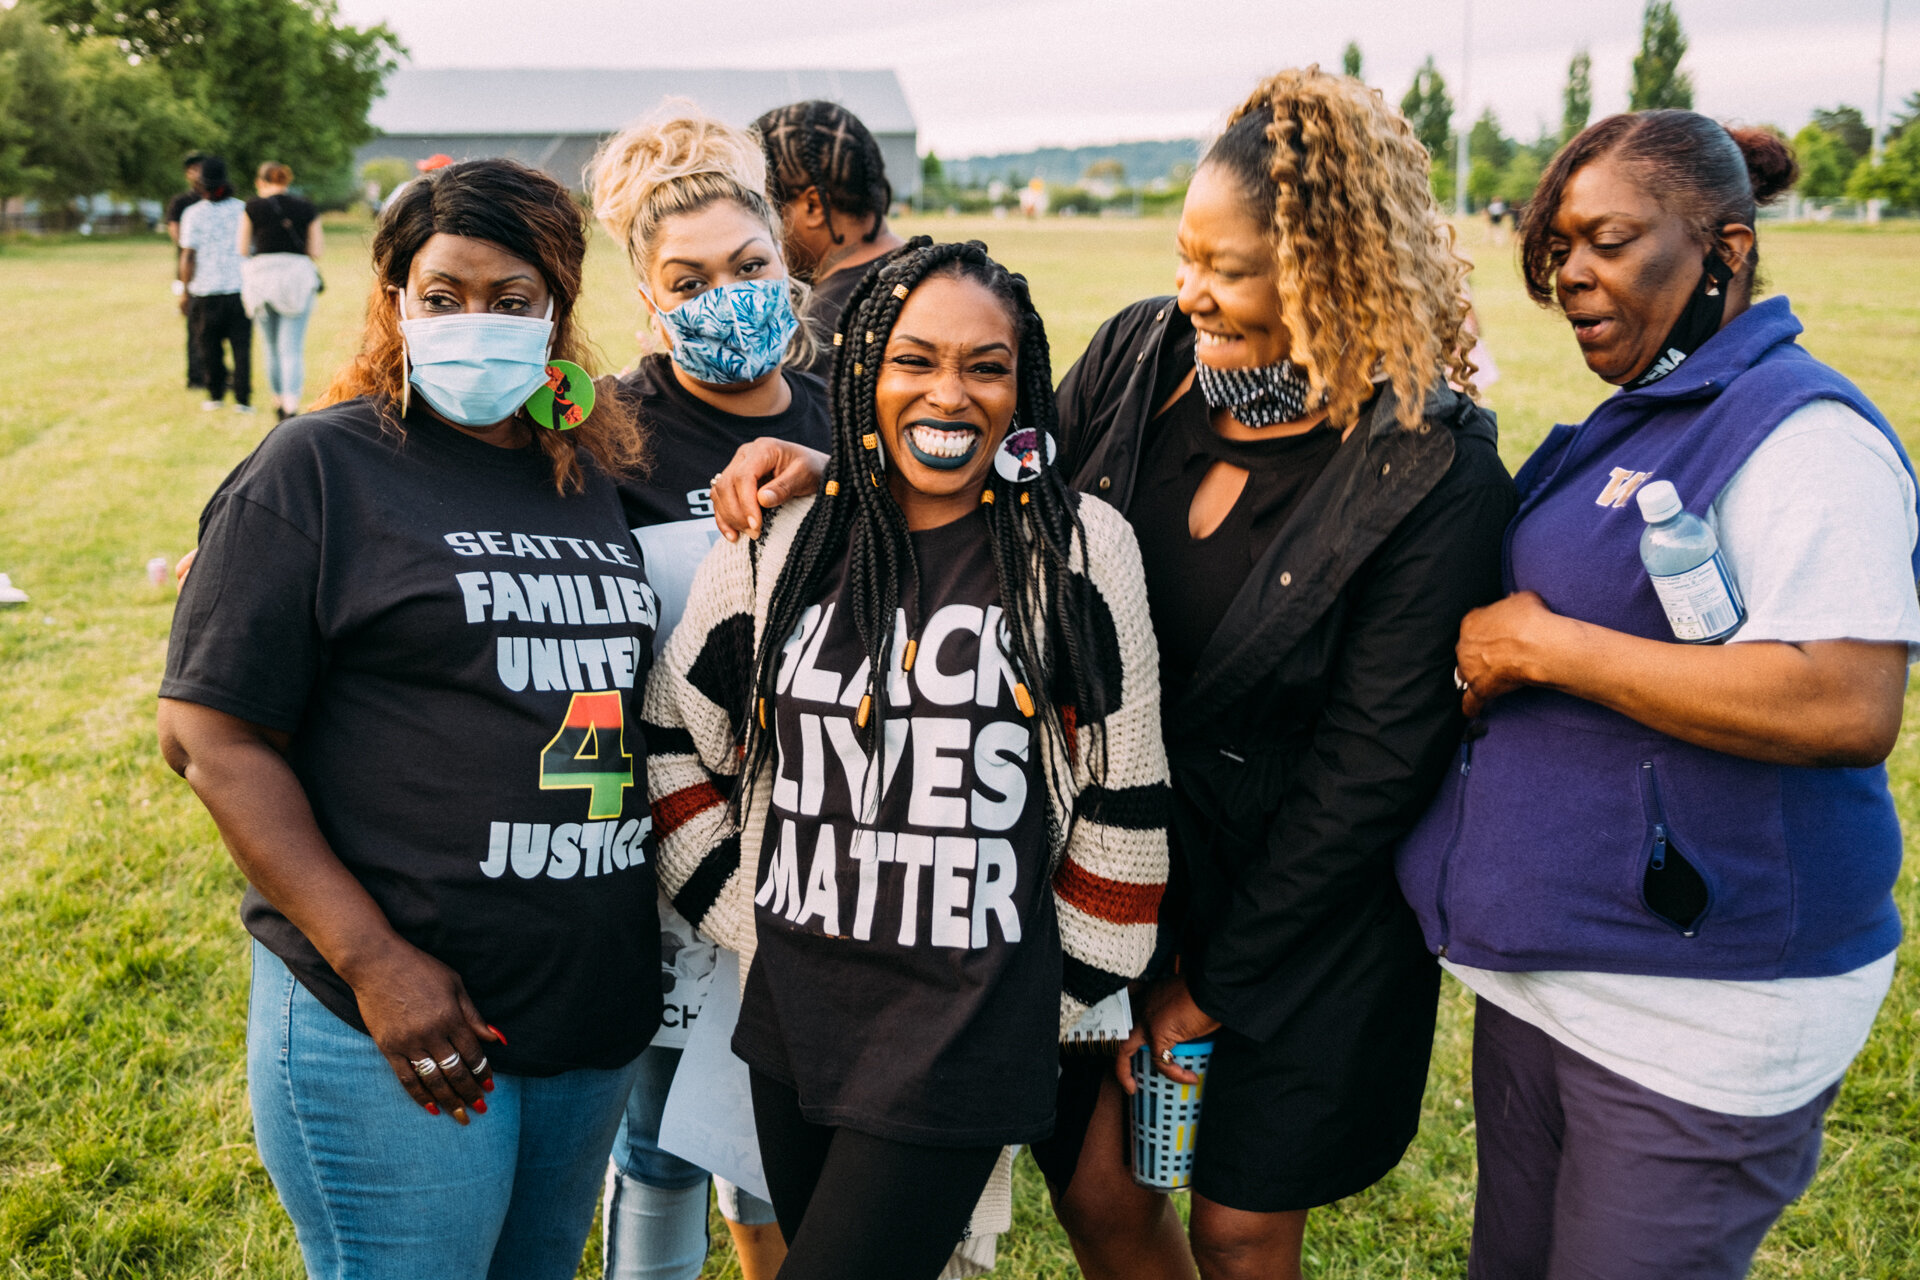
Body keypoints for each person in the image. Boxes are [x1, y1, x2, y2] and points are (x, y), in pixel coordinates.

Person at [708, 67, 1518, 1280]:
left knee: (1243, 1231)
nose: (1192, 289)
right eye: (1187, 252)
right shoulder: (1146, 353)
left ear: (1331, 271)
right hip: (1120, 857)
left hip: (1299, 897)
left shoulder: (1429, 470)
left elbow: (1372, 769)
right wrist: (840, 469)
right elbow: (995, 474)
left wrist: (1208, 985)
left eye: (1230, 268)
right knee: (1103, 1192)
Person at [1397, 111, 1916, 1280]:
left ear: (1725, 251)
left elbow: (1843, 701)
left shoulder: (1805, 434)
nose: (1573, 272)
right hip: (1557, 979)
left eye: (1610, 240)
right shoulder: (1636, 417)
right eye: (1558, 249)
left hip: (1702, 1011)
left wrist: (1548, 647)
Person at [156, 158, 659, 1280]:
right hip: (388, 1013)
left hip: (584, 1009)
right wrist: (375, 959)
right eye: (443, 295)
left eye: (511, 299)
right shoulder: (318, 468)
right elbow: (208, 735)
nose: (474, 321)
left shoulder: (591, 467)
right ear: (395, 299)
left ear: (559, 308)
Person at [647, 238, 1170, 1280]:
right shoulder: (783, 537)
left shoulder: (1079, 548)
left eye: (987, 366)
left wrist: (1037, 993)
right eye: (915, 360)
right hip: (796, 1015)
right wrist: (756, 921)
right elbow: (674, 737)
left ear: (1023, 385)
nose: (951, 392)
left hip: (962, 1034)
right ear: (862, 375)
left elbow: (1128, 796)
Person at [586, 102, 823, 1280]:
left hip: (822, 839)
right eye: (690, 279)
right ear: (646, 299)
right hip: (664, 840)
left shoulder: (852, 417)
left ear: (788, 267)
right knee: (666, 1133)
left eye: (750, 265)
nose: (726, 293)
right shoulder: (602, 432)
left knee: (779, 1128)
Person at [752, 100, 904, 374]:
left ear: (813, 207)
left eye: (765, 206)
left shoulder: (814, 334)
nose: (758, 226)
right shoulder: (944, 273)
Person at [239, 161, 325, 421]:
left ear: (260, 181)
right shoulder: (306, 207)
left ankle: (277, 399)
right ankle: (291, 404)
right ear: (287, 181)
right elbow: (316, 250)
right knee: (292, 347)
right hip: (296, 278)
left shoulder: (251, 207)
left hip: (262, 278)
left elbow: (242, 248)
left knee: (271, 346)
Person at [177, 156, 253, 413]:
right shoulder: (243, 210)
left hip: (205, 289)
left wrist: (184, 290)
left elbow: (188, 255)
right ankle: (242, 398)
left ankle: (215, 393)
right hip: (239, 288)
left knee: (209, 346)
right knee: (241, 347)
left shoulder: (192, 214)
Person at [168, 151, 210, 389]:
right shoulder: (181, 203)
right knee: (194, 326)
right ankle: (196, 375)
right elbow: (178, 236)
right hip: (191, 271)